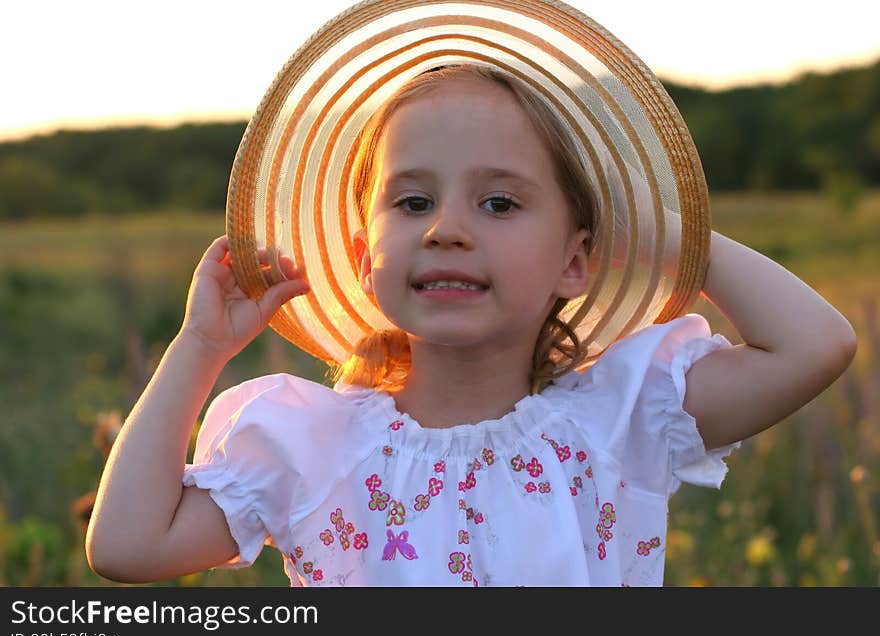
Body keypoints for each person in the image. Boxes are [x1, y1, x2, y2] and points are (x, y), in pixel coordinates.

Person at [85, 62, 856, 587]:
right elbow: (125, 546)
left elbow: (818, 345)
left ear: (576, 260)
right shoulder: (311, 446)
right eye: (412, 202)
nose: (447, 229)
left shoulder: (616, 418)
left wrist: (646, 226)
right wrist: (201, 346)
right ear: (363, 256)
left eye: (500, 203)